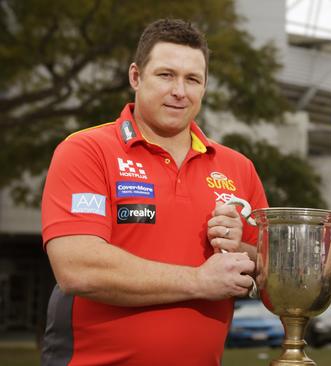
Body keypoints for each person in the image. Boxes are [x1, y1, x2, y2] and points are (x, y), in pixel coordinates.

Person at [40, 19, 268, 365]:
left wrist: (240, 248)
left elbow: (270, 271)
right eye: (166, 75)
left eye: (193, 79)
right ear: (136, 76)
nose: (180, 90)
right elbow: (77, 267)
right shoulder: (87, 150)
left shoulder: (238, 168)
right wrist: (197, 281)